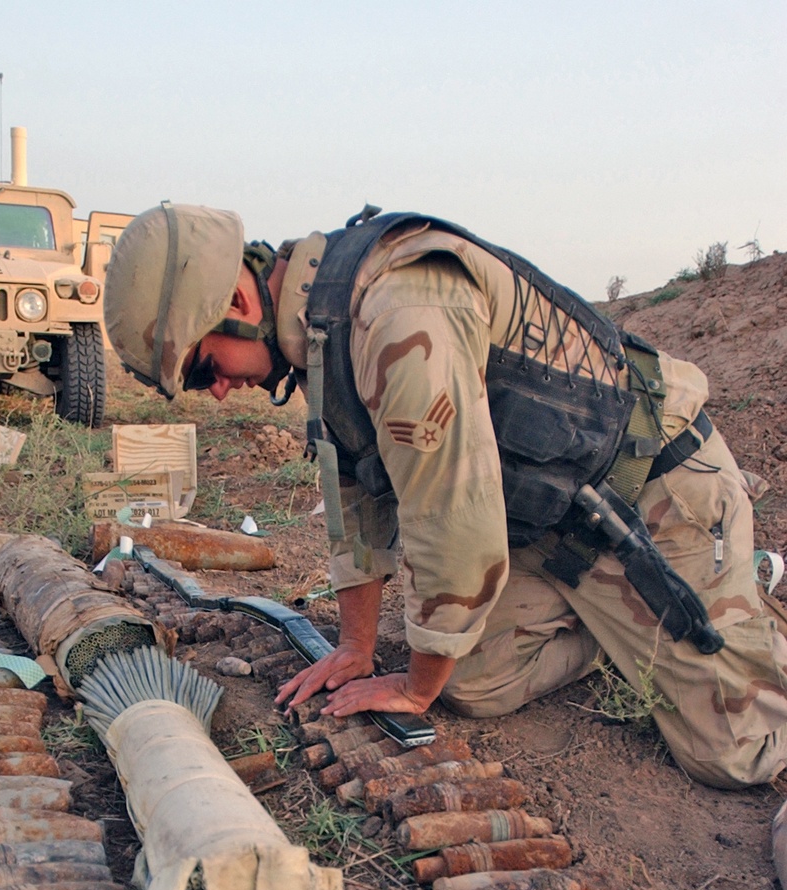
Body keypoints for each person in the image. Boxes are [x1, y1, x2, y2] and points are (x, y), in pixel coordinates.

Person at [102, 203, 787, 789]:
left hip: (659, 493)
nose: (217, 389)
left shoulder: (398, 316)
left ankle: (743, 609)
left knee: (734, 756)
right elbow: (353, 495)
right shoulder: (322, 333)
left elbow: (453, 517)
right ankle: (623, 628)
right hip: (557, 526)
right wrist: (357, 646)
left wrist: (413, 686)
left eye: (203, 368)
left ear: (239, 305)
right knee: (475, 681)